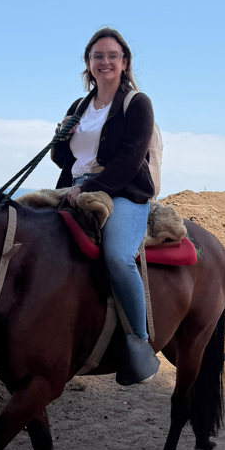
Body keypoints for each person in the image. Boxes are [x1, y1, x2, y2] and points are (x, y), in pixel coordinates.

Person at [51, 28, 159, 385]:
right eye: (98, 56)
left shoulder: (137, 104)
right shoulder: (78, 107)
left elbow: (130, 159)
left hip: (123, 191)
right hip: (74, 188)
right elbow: (63, 159)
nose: (105, 61)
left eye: (113, 55)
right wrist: (60, 138)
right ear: (88, 63)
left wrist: (89, 188)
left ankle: (139, 342)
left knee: (117, 256)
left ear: (124, 62)